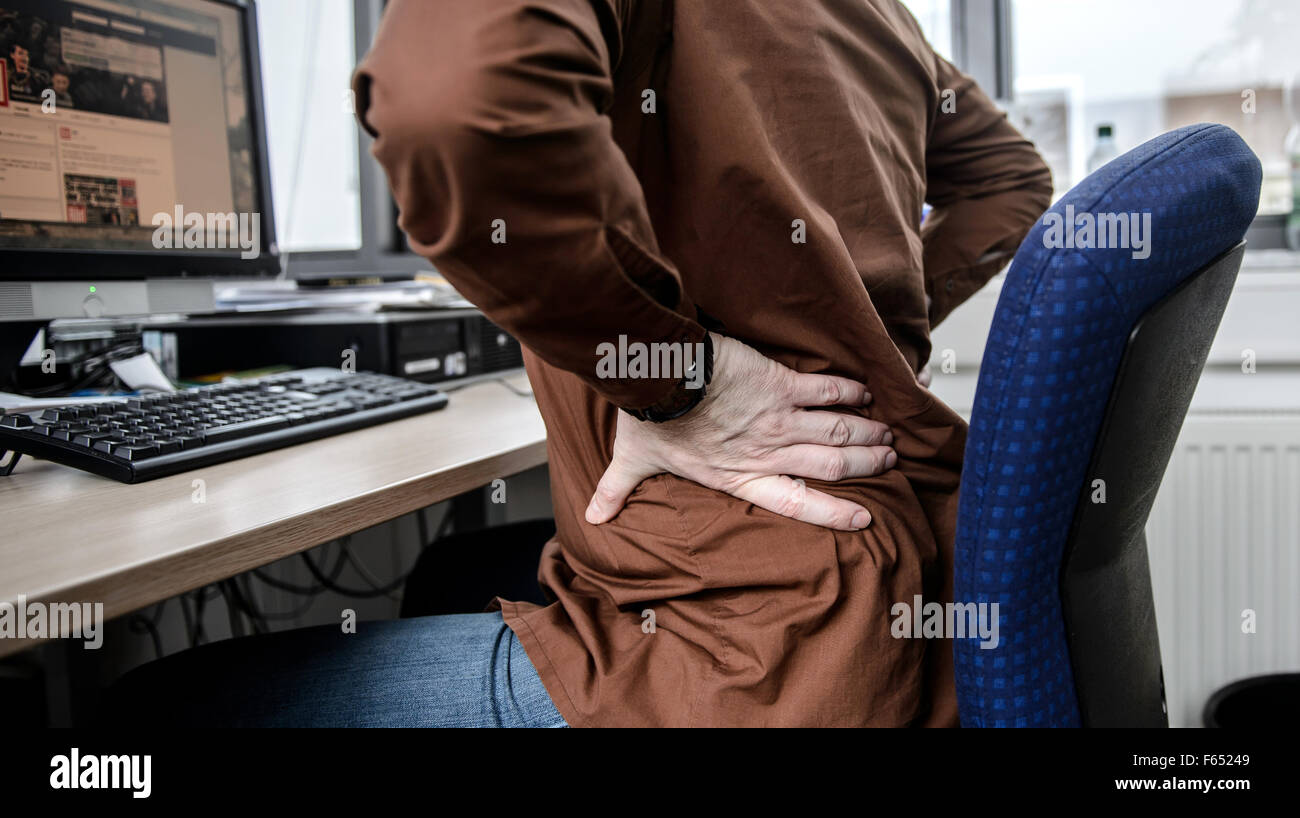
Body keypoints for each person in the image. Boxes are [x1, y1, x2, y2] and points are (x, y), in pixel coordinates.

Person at [111, 0, 1051, 727]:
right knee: (448, 567)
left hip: (749, 657)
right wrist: (852, 340)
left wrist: (687, 382)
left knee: (129, 715)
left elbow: (453, 108)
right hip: (900, 586)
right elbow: (1013, 178)